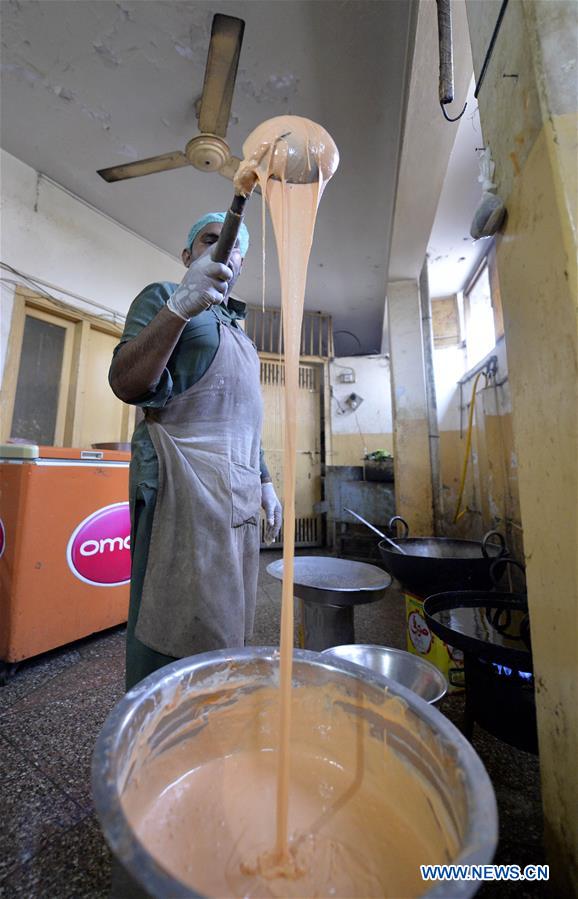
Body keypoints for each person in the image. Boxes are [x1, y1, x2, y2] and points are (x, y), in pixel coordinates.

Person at [109, 213, 282, 690]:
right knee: (169, 620)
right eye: (211, 240)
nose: (224, 250)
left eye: (235, 248)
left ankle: (213, 730)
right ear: (188, 255)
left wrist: (265, 480)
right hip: (181, 483)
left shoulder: (241, 331)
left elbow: (242, 415)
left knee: (226, 618)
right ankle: (157, 735)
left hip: (239, 491)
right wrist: (182, 304)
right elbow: (126, 381)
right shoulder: (164, 296)